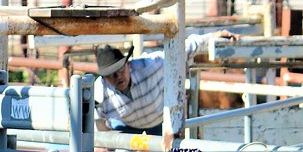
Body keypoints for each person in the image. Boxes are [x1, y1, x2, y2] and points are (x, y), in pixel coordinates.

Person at [93, 30, 238, 135]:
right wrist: (113, 147)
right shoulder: (99, 93)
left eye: (120, 69)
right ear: (104, 79)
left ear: (128, 65)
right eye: (111, 75)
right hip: (126, 127)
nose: (118, 76)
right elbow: (98, 124)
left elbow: (181, 51)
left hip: (159, 122)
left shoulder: (151, 66)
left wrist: (211, 36)